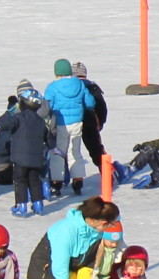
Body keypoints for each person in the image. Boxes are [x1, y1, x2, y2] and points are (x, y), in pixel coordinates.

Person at [0, 88, 55, 217]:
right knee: (34, 180)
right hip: (36, 159)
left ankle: (21, 206)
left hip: (20, 159)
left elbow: (8, 124)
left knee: (20, 180)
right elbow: (48, 137)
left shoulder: (18, 118)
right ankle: (38, 204)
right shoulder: (40, 121)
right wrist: (53, 147)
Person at [44, 59, 95, 197]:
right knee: (75, 152)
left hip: (60, 124)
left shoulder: (52, 87)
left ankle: (57, 182)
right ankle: (78, 180)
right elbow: (89, 102)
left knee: (58, 153)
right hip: (77, 123)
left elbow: (47, 106)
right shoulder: (78, 84)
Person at [72, 62, 109, 171]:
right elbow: (102, 107)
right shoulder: (93, 87)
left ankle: (68, 177)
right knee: (96, 149)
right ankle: (106, 173)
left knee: (70, 151)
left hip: (73, 121)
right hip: (91, 121)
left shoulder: (71, 87)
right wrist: (100, 122)